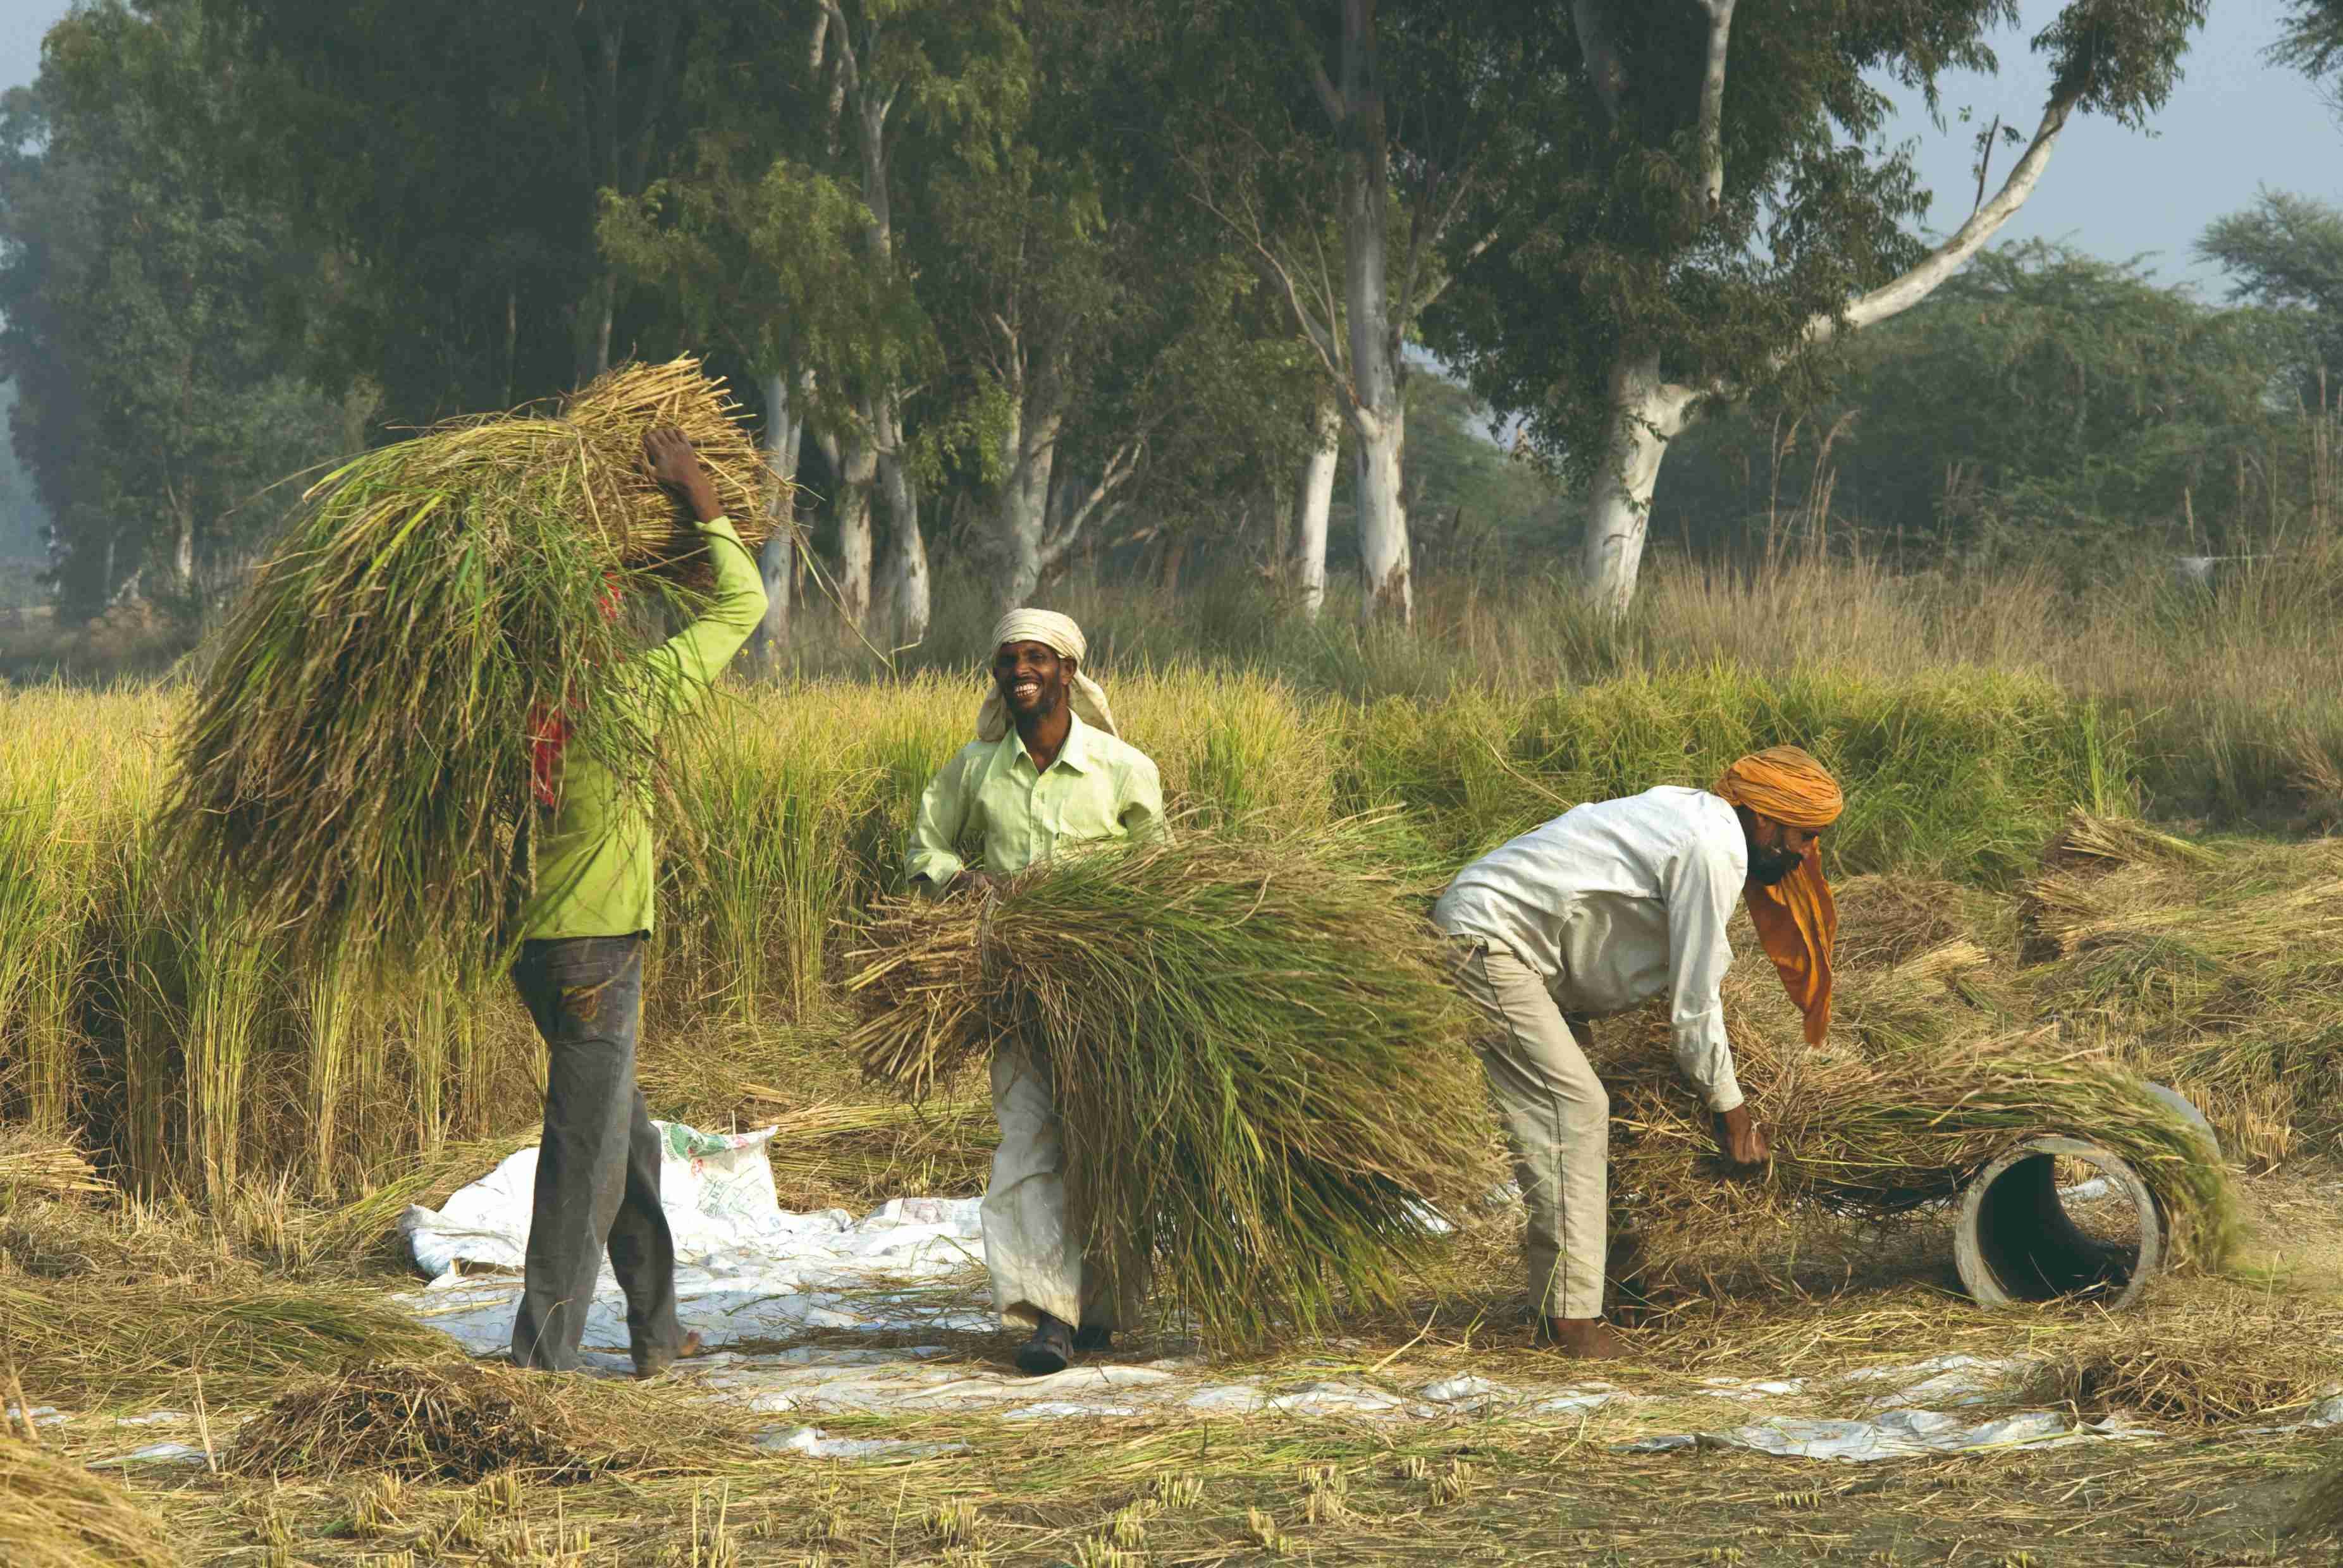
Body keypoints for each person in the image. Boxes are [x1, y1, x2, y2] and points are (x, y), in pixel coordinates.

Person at [1430, 746, 1845, 1359]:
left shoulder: (1698, 819)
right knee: (1576, 1107)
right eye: (1804, 836)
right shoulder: (1713, 851)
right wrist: (1733, 1113)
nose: (1808, 854)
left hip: (1524, 946)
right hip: (1490, 939)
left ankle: (1616, 1277)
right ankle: (1571, 1323)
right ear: (1765, 819)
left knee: (1602, 1112)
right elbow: (1696, 1006)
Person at [508, 426, 768, 1378]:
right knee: (587, 1154)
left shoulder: (497, 714)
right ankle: (543, 1362)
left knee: (630, 1135)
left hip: (533, 953)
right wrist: (699, 496)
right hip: (600, 950)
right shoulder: (628, 698)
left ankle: (657, 1334)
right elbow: (744, 602)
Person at [907, 609, 1169, 1376]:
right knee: (1029, 1140)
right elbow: (924, 843)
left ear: (1068, 671)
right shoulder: (974, 767)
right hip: (1016, 993)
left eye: (1036, 659)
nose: (1020, 671)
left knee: (1109, 1143)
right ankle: (1045, 1314)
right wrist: (962, 877)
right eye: (1008, 660)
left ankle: (1104, 1307)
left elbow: (1162, 875)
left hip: (1106, 994)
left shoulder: (1124, 768)